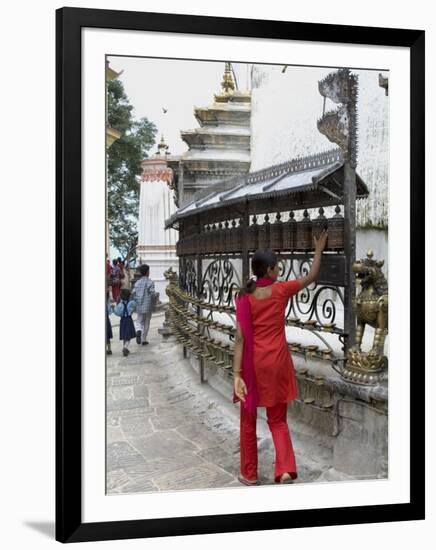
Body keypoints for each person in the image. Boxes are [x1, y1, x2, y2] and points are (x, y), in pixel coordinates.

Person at [233, 228, 328, 486]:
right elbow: (312, 275)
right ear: (271, 270)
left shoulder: (244, 296)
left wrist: (236, 374)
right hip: (277, 362)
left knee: (248, 421)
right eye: (278, 267)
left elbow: (240, 338)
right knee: (277, 420)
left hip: (252, 366)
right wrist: (318, 250)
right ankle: (285, 469)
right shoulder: (281, 290)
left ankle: (249, 474)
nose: (280, 271)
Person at [131, 263, 156, 345]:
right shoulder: (150, 282)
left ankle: (138, 330)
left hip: (139, 305)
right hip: (148, 305)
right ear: (147, 272)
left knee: (139, 320)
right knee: (147, 322)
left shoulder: (137, 283)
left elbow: (133, 293)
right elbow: (152, 293)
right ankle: (144, 339)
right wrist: (155, 298)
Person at [113, 288, 137, 357]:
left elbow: (117, 313)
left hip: (122, 321)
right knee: (128, 336)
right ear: (129, 296)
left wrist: (114, 309)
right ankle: (125, 347)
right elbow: (135, 304)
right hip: (129, 320)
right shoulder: (131, 303)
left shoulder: (120, 305)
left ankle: (125, 347)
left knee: (124, 336)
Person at [106, 289, 113, 355]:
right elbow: (110, 311)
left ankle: (109, 349)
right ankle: (109, 348)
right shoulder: (107, 302)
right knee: (107, 335)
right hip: (106, 320)